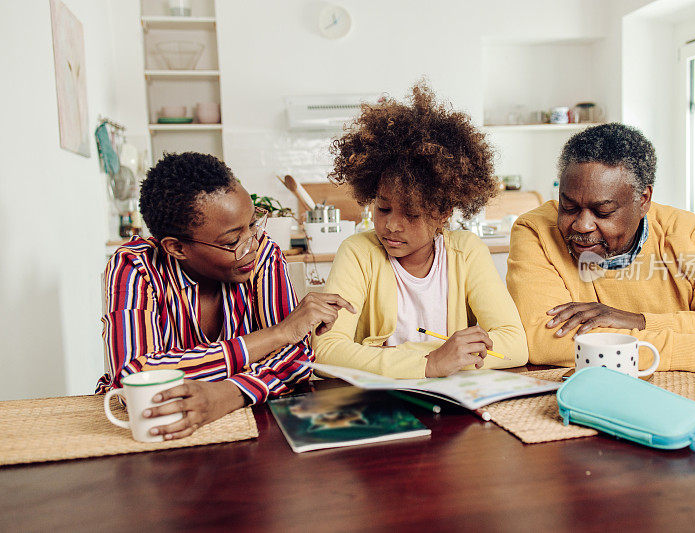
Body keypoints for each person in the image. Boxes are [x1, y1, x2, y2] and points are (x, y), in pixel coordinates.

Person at [96, 152, 354, 440]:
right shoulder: (135, 267)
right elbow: (133, 378)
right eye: (232, 241)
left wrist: (229, 393)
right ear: (177, 248)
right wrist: (278, 334)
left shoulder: (263, 253)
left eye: (254, 224)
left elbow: (296, 358)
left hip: (252, 427)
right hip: (155, 432)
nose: (251, 245)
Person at [507, 123, 695, 373]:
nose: (582, 225)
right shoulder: (535, 230)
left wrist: (640, 321)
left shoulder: (686, 233)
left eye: (603, 212)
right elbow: (544, 341)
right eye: (568, 206)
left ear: (643, 199)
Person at [312, 83, 528, 377]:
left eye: (411, 214)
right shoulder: (358, 253)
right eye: (383, 208)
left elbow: (515, 345)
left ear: (443, 213)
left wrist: (390, 357)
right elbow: (326, 350)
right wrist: (432, 361)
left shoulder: (466, 252)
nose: (391, 225)